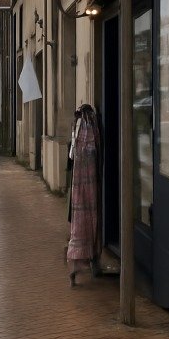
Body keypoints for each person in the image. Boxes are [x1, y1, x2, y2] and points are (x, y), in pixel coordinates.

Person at [67, 104, 101, 287]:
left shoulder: (77, 126)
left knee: (78, 226)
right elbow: (93, 151)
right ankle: (89, 261)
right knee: (89, 221)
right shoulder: (88, 128)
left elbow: (71, 155)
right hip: (88, 185)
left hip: (78, 187)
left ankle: (76, 268)